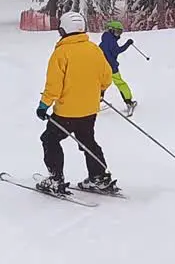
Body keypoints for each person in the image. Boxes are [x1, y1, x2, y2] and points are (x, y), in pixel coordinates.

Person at [35, 11, 118, 195]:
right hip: (89, 110)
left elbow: (54, 85)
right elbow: (106, 77)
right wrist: (100, 92)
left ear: (63, 29)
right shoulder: (94, 49)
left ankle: (56, 179)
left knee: (49, 139)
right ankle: (99, 177)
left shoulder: (61, 53)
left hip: (66, 112)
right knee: (88, 141)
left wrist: (44, 105)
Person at [99, 20, 138, 115]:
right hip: (111, 67)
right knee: (120, 84)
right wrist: (128, 44)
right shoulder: (111, 40)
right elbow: (117, 51)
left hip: (101, 67)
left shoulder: (104, 39)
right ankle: (129, 102)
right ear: (111, 30)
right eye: (117, 32)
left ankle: (95, 102)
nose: (118, 34)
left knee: (101, 84)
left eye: (120, 32)